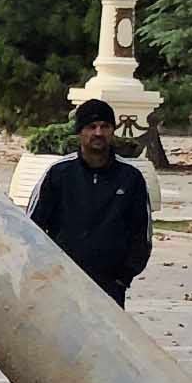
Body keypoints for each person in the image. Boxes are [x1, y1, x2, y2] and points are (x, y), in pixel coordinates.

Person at [31, 98, 154, 304]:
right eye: (91, 127)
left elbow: (142, 234)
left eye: (105, 126)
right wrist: (47, 269)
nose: (98, 133)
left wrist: (123, 277)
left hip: (110, 287)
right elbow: (32, 227)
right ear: (80, 131)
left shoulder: (131, 178)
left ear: (112, 130)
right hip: (61, 282)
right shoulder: (58, 173)